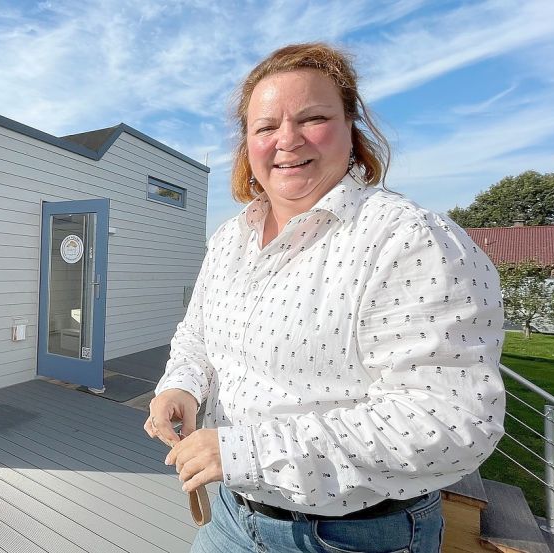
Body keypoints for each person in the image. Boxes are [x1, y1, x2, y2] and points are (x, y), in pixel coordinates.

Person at [144, 43, 506, 553]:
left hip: (349, 536)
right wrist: (182, 386)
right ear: (247, 144)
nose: (286, 140)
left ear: (352, 128)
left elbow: (450, 420)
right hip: (228, 516)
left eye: (312, 118)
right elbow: (198, 335)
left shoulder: (408, 239)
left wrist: (244, 450)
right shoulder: (232, 236)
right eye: (265, 127)